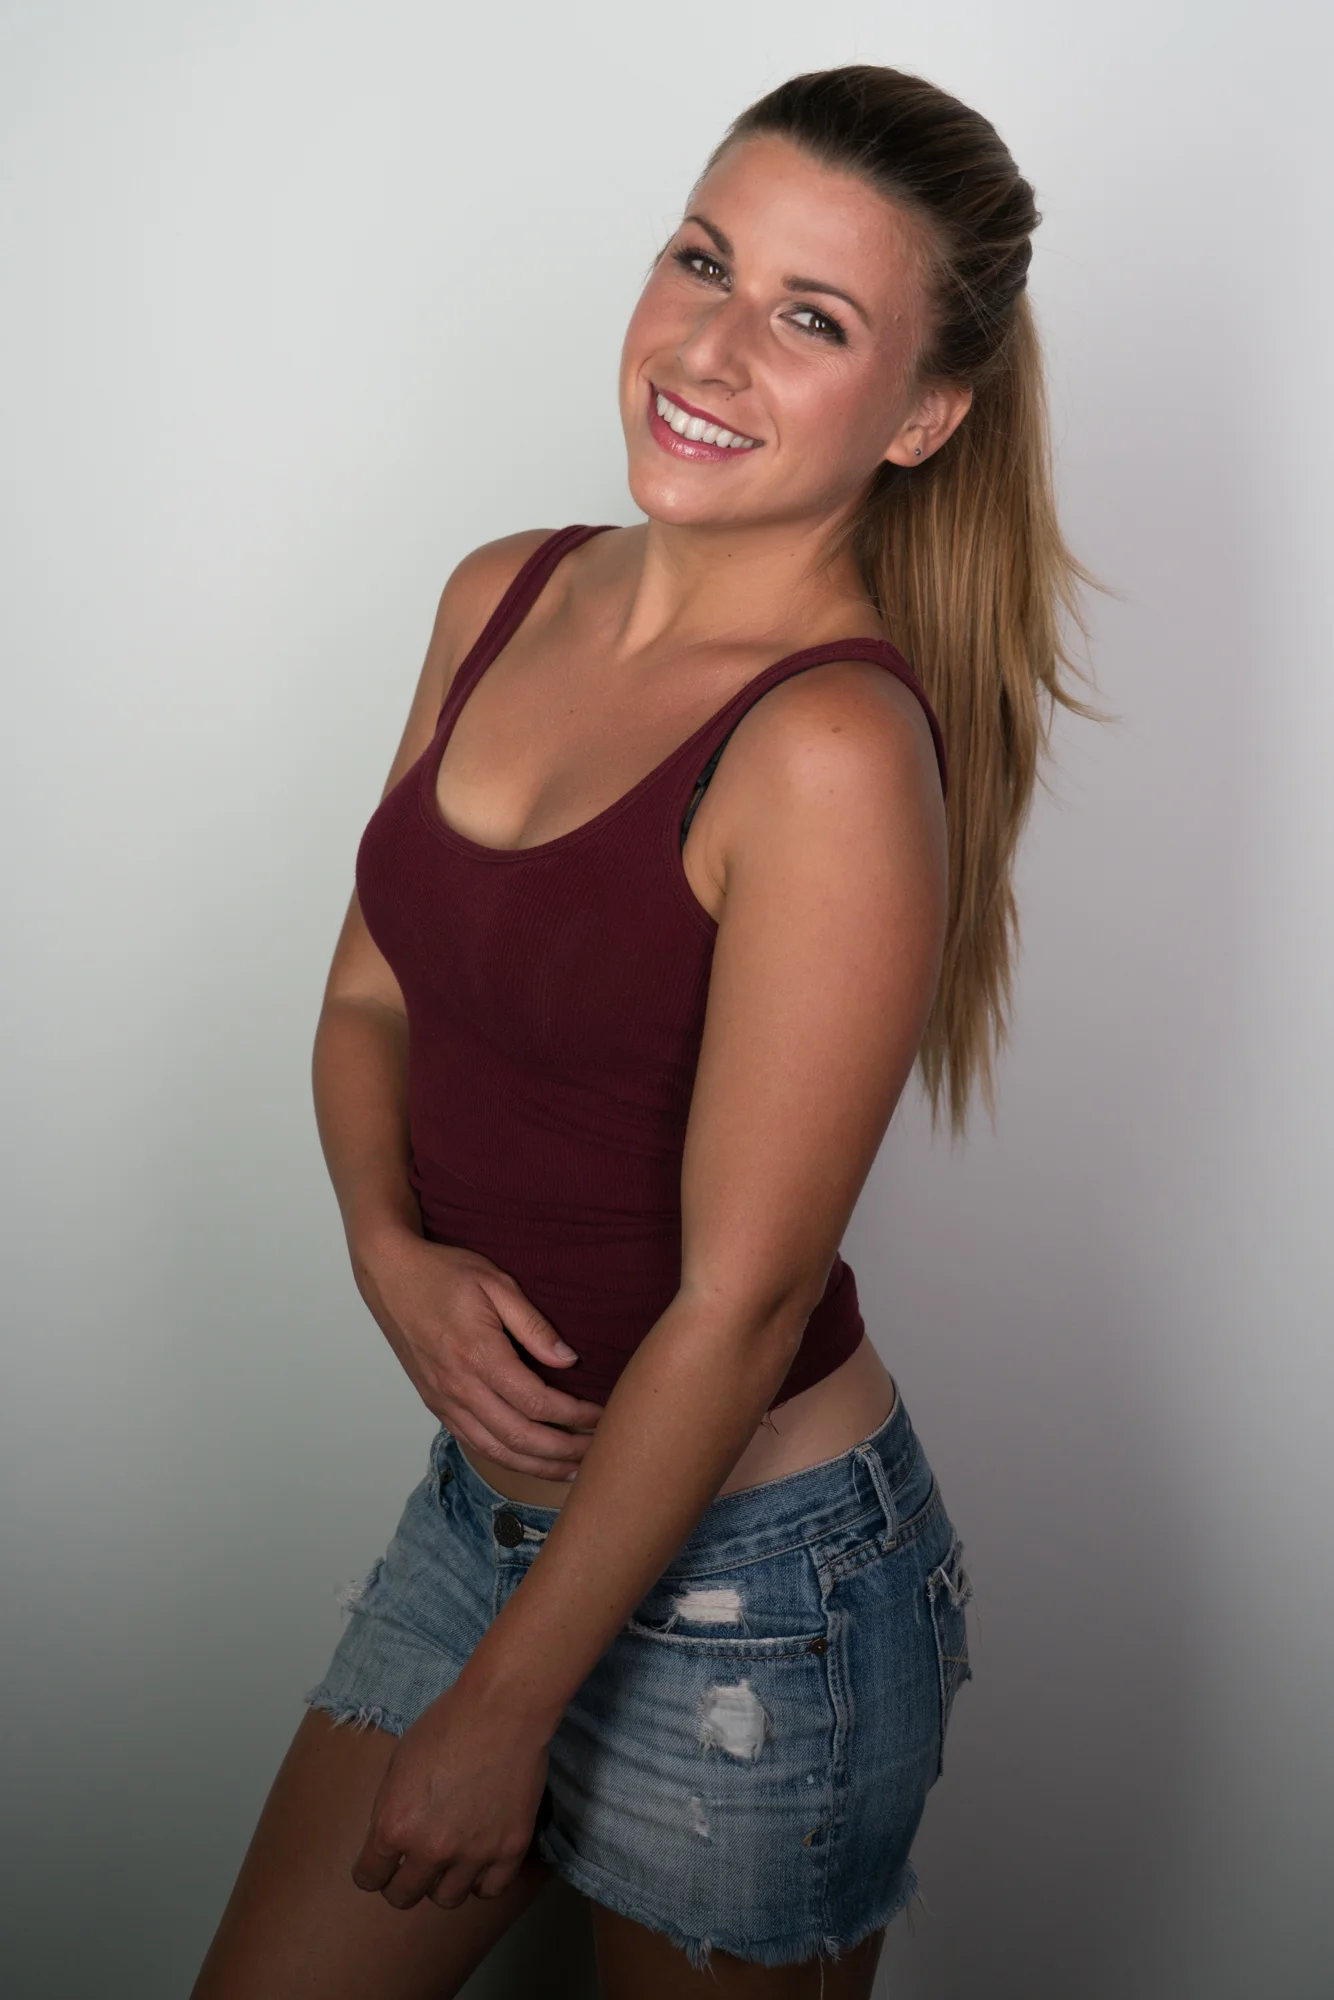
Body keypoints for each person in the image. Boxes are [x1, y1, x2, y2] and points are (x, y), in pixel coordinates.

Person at [191, 62, 1095, 2000]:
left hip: (759, 1593)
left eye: (811, 317)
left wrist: (507, 1707)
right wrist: (386, 1251)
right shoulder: (500, 596)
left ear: (922, 415)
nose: (710, 345)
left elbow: (740, 1304)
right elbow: (366, 994)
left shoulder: (830, 747)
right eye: (703, 260)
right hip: (488, 1525)